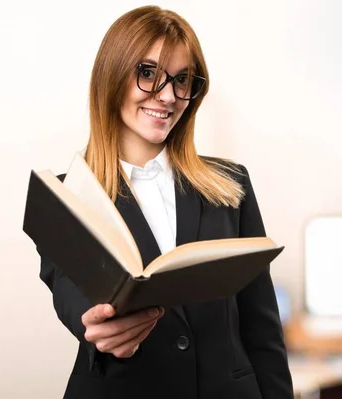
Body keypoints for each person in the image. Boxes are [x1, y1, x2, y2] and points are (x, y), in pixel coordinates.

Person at [37, 5, 293, 399]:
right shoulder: (67, 195)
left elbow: (262, 329)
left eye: (182, 79)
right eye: (148, 73)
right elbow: (70, 293)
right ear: (112, 76)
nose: (169, 96)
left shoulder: (230, 185)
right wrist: (96, 328)